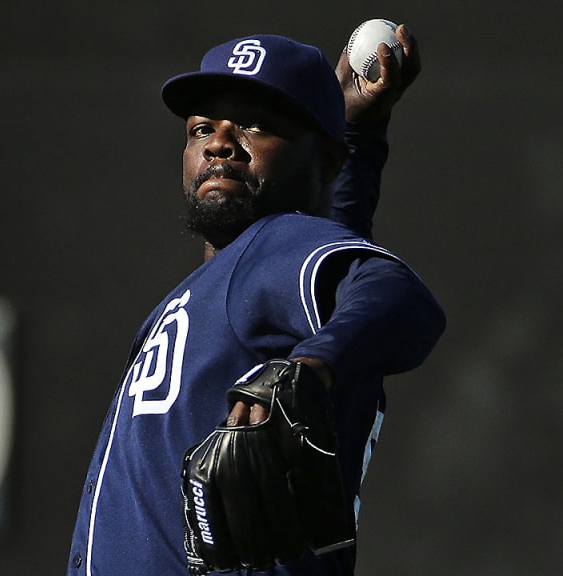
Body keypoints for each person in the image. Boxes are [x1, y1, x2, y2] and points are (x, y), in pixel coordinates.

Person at [67, 27, 445, 576]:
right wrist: (354, 138)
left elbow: (395, 293)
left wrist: (313, 367)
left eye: (254, 124)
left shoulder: (269, 247)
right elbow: (320, 254)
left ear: (323, 156)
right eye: (202, 127)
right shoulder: (244, 274)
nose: (220, 141)